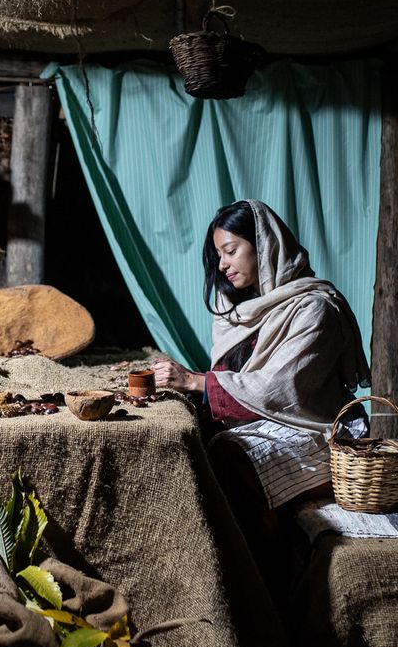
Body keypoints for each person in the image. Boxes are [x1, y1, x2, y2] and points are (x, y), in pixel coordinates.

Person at [151, 200, 370, 580]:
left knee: (230, 460)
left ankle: (268, 583)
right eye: (219, 255)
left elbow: (278, 390)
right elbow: (235, 378)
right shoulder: (240, 309)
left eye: (231, 251)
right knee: (195, 443)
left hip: (317, 430)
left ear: (264, 245)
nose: (222, 265)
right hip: (270, 420)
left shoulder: (314, 309)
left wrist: (194, 381)